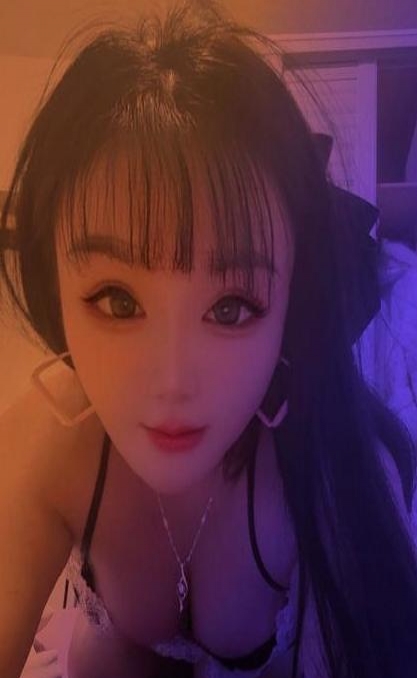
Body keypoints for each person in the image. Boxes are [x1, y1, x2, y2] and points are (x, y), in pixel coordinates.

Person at [1, 1, 416, 677]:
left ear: (290, 302)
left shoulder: (336, 468)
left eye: (230, 307)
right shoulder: (46, 438)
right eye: (117, 301)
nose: (171, 382)